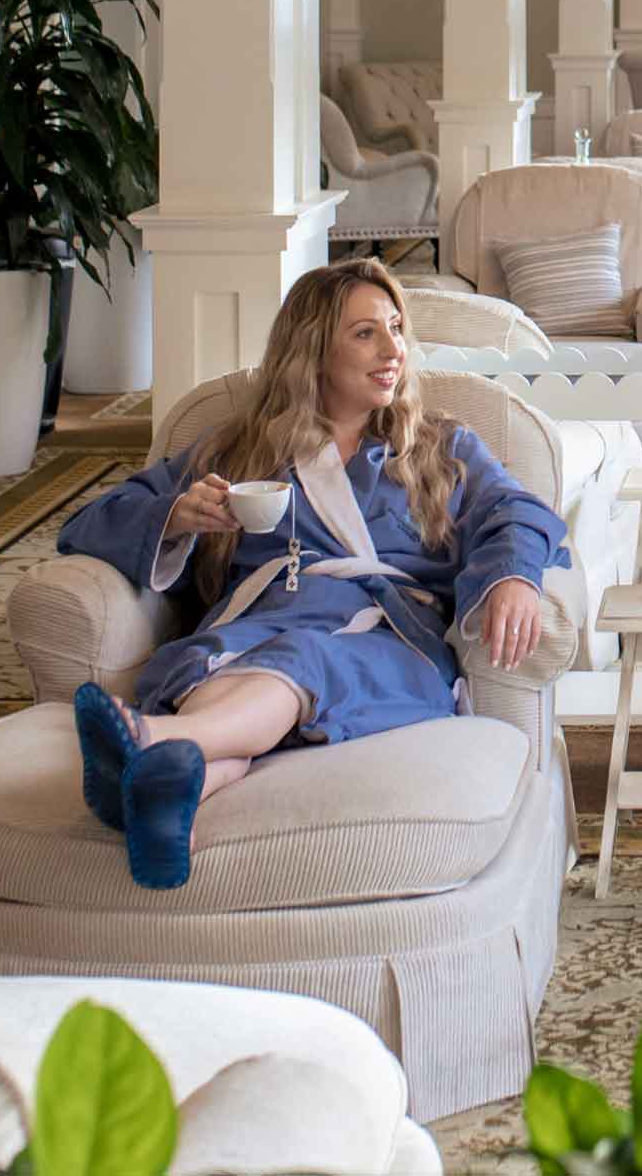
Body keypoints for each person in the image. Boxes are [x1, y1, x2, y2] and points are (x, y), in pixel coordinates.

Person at [56, 259, 569, 888]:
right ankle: (171, 798)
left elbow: (516, 512)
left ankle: (151, 734)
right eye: (364, 333)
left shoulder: (442, 447)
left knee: (299, 659)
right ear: (313, 351)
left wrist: (513, 577)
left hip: (384, 640)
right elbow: (89, 521)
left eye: (396, 328)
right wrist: (176, 517)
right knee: (233, 668)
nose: (393, 350)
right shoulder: (236, 450)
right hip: (256, 628)